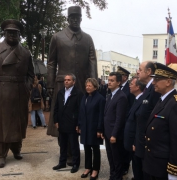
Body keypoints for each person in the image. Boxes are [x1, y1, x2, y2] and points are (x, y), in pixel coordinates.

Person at [0, 19, 34, 168]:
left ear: (19, 35)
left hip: (19, 93)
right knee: (0, 125)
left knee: (18, 124)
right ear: (4, 33)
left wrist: (26, 88)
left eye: (15, 33)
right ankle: (0, 154)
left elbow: (31, 74)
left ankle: (16, 149)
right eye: (9, 32)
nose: (12, 35)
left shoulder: (25, 53)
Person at [46, 5, 98, 137]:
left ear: (81, 19)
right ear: (67, 19)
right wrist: (50, 84)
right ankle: (65, 148)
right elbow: (51, 63)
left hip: (81, 83)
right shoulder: (57, 37)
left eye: (78, 18)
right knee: (63, 113)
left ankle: (73, 146)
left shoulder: (88, 39)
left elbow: (92, 61)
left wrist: (94, 83)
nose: (75, 20)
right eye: (72, 18)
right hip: (62, 83)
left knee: (79, 113)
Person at [143, 62, 177, 180]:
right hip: (154, 162)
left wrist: (174, 171)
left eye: (157, 79)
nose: (153, 82)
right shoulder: (163, 99)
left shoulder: (176, 104)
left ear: (168, 82)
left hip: (163, 166)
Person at [134, 61, 161, 179]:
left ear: (148, 71)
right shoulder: (147, 89)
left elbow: (154, 118)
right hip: (141, 141)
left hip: (148, 143)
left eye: (140, 69)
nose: (137, 72)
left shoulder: (154, 91)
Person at [52, 74, 83, 173]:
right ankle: (62, 162)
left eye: (68, 80)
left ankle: (75, 164)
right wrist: (56, 120)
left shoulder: (78, 93)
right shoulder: (60, 92)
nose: (66, 81)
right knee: (63, 145)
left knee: (74, 145)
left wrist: (79, 124)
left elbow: (80, 110)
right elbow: (56, 108)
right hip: (62, 123)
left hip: (73, 124)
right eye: (65, 80)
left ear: (73, 82)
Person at [101, 72, 128, 180]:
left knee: (117, 159)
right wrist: (103, 131)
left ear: (118, 82)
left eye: (112, 80)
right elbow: (106, 115)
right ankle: (113, 176)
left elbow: (119, 118)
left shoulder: (121, 97)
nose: (109, 82)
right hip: (108, 133)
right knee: (110, 158)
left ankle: (117, 177)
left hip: (114, 135)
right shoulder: (110, 95)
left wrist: (114, 134)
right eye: (109, 80)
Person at [78, 78, 105, 180]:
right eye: (86, 86)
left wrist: (99, 129)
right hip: (85, 127)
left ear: (95, 86)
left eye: (89, 86)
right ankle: (88, 167)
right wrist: (79, 125)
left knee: (95, 149)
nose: (87, 87)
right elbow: (81, 113)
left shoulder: (100, 98)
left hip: (94, 128)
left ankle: (95, 169)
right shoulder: (84, 97)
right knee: (86, 148)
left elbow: (101, 115)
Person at [123, 77, 146, 180]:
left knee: (138, 166)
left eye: (131, 84)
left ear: (138, 87)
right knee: (135, 165)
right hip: (132, 141)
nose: (129, 86)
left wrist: (136, 143)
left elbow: (140, 124)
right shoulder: (137, 99)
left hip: (135, 142)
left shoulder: (143, 101)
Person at [116, 66, 135, 176]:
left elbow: (131, 106)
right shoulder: (117, 87)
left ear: (125, 77)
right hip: (118, 122)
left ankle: (125, 166)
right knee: (118, 146)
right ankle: (119, 165)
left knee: (125, 147)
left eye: (120, 75)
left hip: (126, 122)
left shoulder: (129, 88)